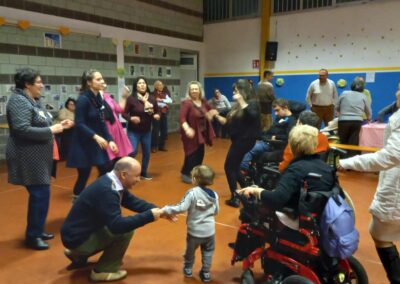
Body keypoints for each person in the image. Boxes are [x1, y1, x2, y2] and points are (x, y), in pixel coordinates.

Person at [61, 157, 174, 282]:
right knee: (125, 231)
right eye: (136, 176)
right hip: (77, 239)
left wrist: (160, 211)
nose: (138, 179)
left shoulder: (110, 181)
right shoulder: (108, 190)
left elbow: (133, 202)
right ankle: (103, 271)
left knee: (117, 225)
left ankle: (76, 255)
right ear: (124, 174)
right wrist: (149, 216)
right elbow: (117, 226)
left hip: (74, 234)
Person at [6, 67, 73, 250]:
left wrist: (59, 124)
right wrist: (51, 130)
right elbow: (21, 129)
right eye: (38, 82)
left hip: (38, 157)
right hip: (27, 156)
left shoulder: (33, 100)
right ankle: (33, 236)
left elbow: (42, 121)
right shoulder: (18, 101)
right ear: (27, 84)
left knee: (41, 195)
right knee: (40, 194)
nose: (42, 85)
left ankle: (37, 230)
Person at [338, 92, 400, 284]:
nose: (397, 92)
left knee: (380, 234)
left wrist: (348, 162)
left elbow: (390, 156)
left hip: (396, 185)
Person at [237, 125, 335, 213]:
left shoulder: (295, 169)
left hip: (297, 215)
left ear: (292, 146)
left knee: (247, 212)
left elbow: (277, 199)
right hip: (321, 214)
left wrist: (256, 191)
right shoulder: (327, 168)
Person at [162, 165, 219, 282]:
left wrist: (166, 209)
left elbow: (182, 207)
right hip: (209, 232)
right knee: (208, 252)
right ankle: (206, 273)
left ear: (195, 179)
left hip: (194, 232)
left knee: (190, 251)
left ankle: (188, 269)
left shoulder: (192, 193)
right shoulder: (214, 195)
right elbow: (216, 211)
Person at [67, 70, 118, 200]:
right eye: (98, 79)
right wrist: (95, 136)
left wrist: (110, 140)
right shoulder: (83, 100)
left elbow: (102, 123)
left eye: (102, 79)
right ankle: (77, 199)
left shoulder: (98, 98)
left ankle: (99, 196)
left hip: (96, 143)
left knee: (105, 169)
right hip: (83, 144)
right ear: (89, 83)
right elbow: (79, 123)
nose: (102, 81)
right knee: (84, 174)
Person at [212, 79, 260, 208]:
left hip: (244, 141)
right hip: (238, 139)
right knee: (235, 167)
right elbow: (230, 119)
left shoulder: (252, 103)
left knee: (228, 167)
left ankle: (235, 197)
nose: (234, 92)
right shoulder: (238, 105)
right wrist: (216, 115)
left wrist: (241, 100)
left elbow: (252, 116)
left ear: (243, 91)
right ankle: (246, 190)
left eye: (236, 90)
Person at [240, 98, 296, 173]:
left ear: (285, 107)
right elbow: (270, 130)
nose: (275, 113)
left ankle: (243, 170)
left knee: (249, 149)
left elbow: (288, 137)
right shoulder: (279, 118)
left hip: (273, 144)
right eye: (275, 111)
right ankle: (251, 171)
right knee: (245, 144)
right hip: (267, 140)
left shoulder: (291, 121)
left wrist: (275, 137)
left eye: (277, 110)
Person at [179, 81, 217, 184]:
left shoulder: (203, 101)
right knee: (191, 153)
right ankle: (185, 173)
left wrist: (213, 113)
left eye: (196, 89)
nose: (194, 91)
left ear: (200, 90)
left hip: (202, 133)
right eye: (192, 89)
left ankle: (195, 172)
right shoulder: (187, 103)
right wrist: (187, 129)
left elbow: (210, 110)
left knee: (200, 154)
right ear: (189, 92)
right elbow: (182, 118)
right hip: (190, 134)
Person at [123, 76, 159, 180]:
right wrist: (131, 118)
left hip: (147, 131)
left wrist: (157, 115)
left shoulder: (152, 98)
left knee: (147, 153)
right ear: (136, 86)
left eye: (144, 83)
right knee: (132, 151)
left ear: (146, 85)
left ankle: (143, 172)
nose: (142, 85)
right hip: (133, 131)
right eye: (139, 83)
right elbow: (124, 113)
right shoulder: (131, 99)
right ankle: (126, 172)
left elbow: (157, 111)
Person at [336, 77, 371, 157]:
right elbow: (368, 110)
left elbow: (337, 106)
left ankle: (342, 164)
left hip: (343, 121)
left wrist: (340, 111)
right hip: (357, 121)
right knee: (353, 143)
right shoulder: (363, 96)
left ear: (352, 85)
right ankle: (351, 164)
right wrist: (369, 117)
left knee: (343, 143)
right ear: (363, 87)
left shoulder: (344, 93)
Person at [100, 83, 133, 165]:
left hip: (116, 129)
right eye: (99, 80)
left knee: (117, 158)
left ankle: (114, 176)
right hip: (105, 130)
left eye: (103, 81)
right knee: (108, 161)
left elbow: (119, 109)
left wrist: (124, 96)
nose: (103, 83)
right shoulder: (93, 99)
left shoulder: (107, 96)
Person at [151, 80, 172, 152]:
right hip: (156, 114)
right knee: (156, 130)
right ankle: (154, 146)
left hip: (163, 113)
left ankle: (161, 145)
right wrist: (163, 102)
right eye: (159, 85)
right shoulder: (152, 94)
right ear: (156, 86)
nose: (161, 86)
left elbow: (169, 102)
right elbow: (153, 103)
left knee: (164, 130)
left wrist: (161, 101)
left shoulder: (165, 94)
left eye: (162, 85)